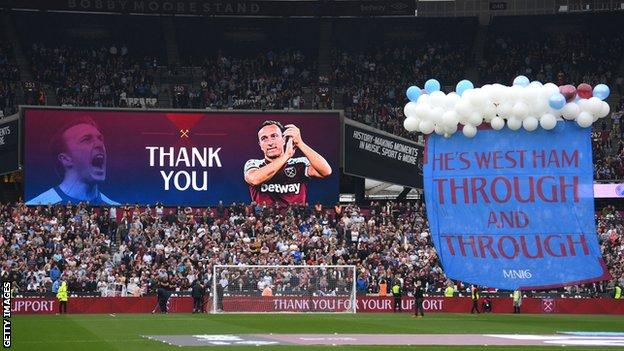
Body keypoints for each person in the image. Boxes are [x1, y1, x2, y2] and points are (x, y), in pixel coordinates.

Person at [27, 116, 119, 205]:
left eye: (100, 138)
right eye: (86, 139)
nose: (99, 144)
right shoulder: (39, 204)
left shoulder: (114, 207)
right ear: (66, 159)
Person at [244, 120, 332, 206]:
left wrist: (300, 143)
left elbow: (326, 171)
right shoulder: (254, 164)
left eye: (274, 136)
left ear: (283, 140)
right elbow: (254, 179)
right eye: (264, 139)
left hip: (295, 218)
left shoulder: (300, 163)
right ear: (260, 145)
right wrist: (286, 155)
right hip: (264, 219)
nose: (270, 142)